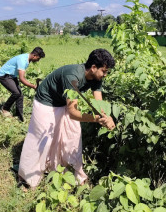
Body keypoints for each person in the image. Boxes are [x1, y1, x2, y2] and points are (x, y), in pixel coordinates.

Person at [18, 48, 116, 188]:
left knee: (73, 135)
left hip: (63, 102)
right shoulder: (73, 76)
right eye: (104, 71)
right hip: (46, 101)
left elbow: (99, 104)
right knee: (42, 139)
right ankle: (25, 178)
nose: (105, 75)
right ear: (94, 68)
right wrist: (96, 119)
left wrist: (107, 117)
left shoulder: (96, 77)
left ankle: (73, 174)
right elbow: (72, 113)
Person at [0, 47, 45, 122]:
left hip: (12, 76)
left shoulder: (27, 58)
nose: (38, 60)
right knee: (16, 93)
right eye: (38, 58)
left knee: (20, 95)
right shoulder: (23, 60)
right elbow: (22, 79)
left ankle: (19, 116)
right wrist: (33, 86)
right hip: (4, 75)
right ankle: (4, 109)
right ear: (34, 55)